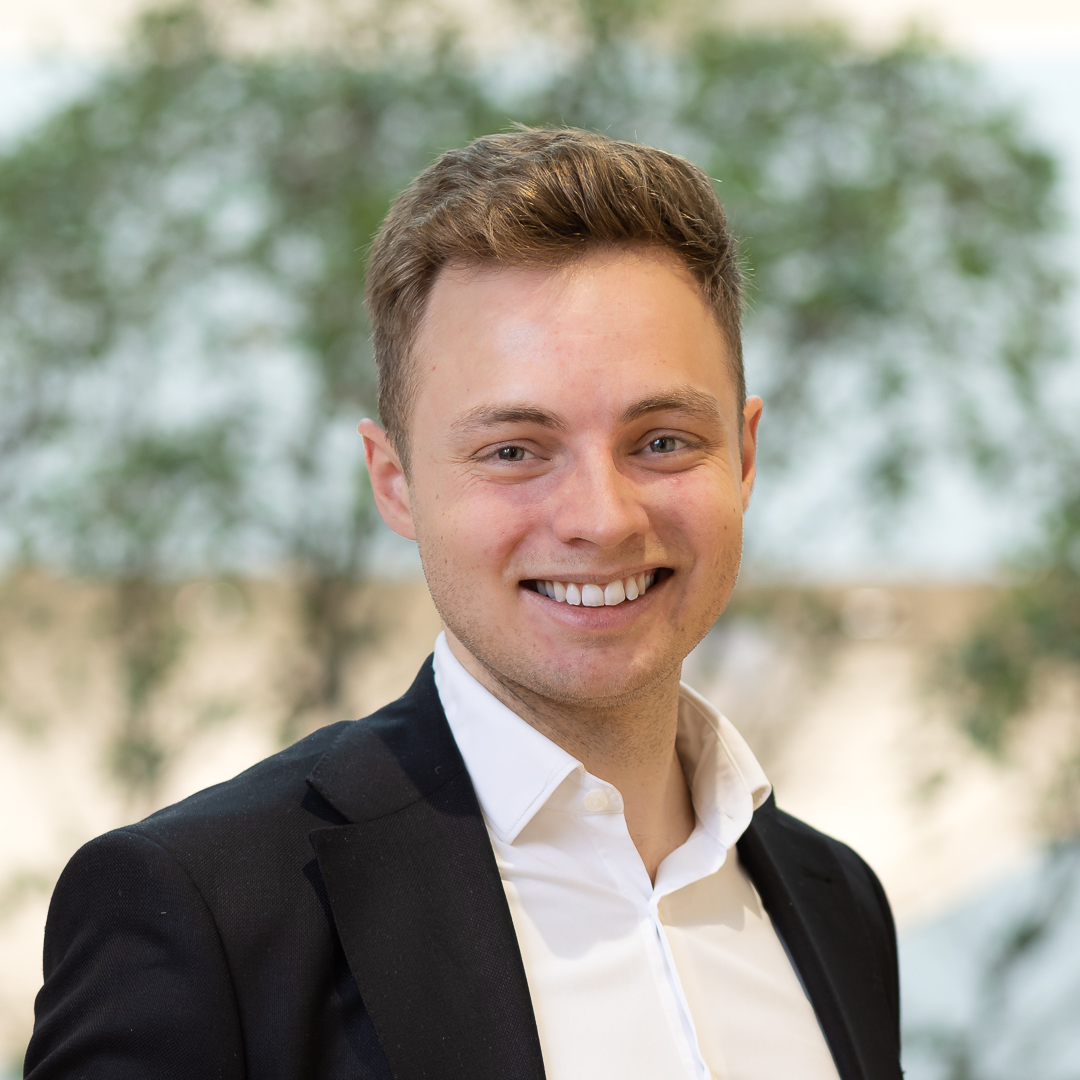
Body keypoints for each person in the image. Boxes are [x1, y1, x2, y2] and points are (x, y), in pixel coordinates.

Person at [26, 127, 901, 1080]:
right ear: (395, 482)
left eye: (661, 442)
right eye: (514, 450)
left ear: (745, 455)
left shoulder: (837, 902)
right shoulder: (206, 914)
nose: (600, 519)